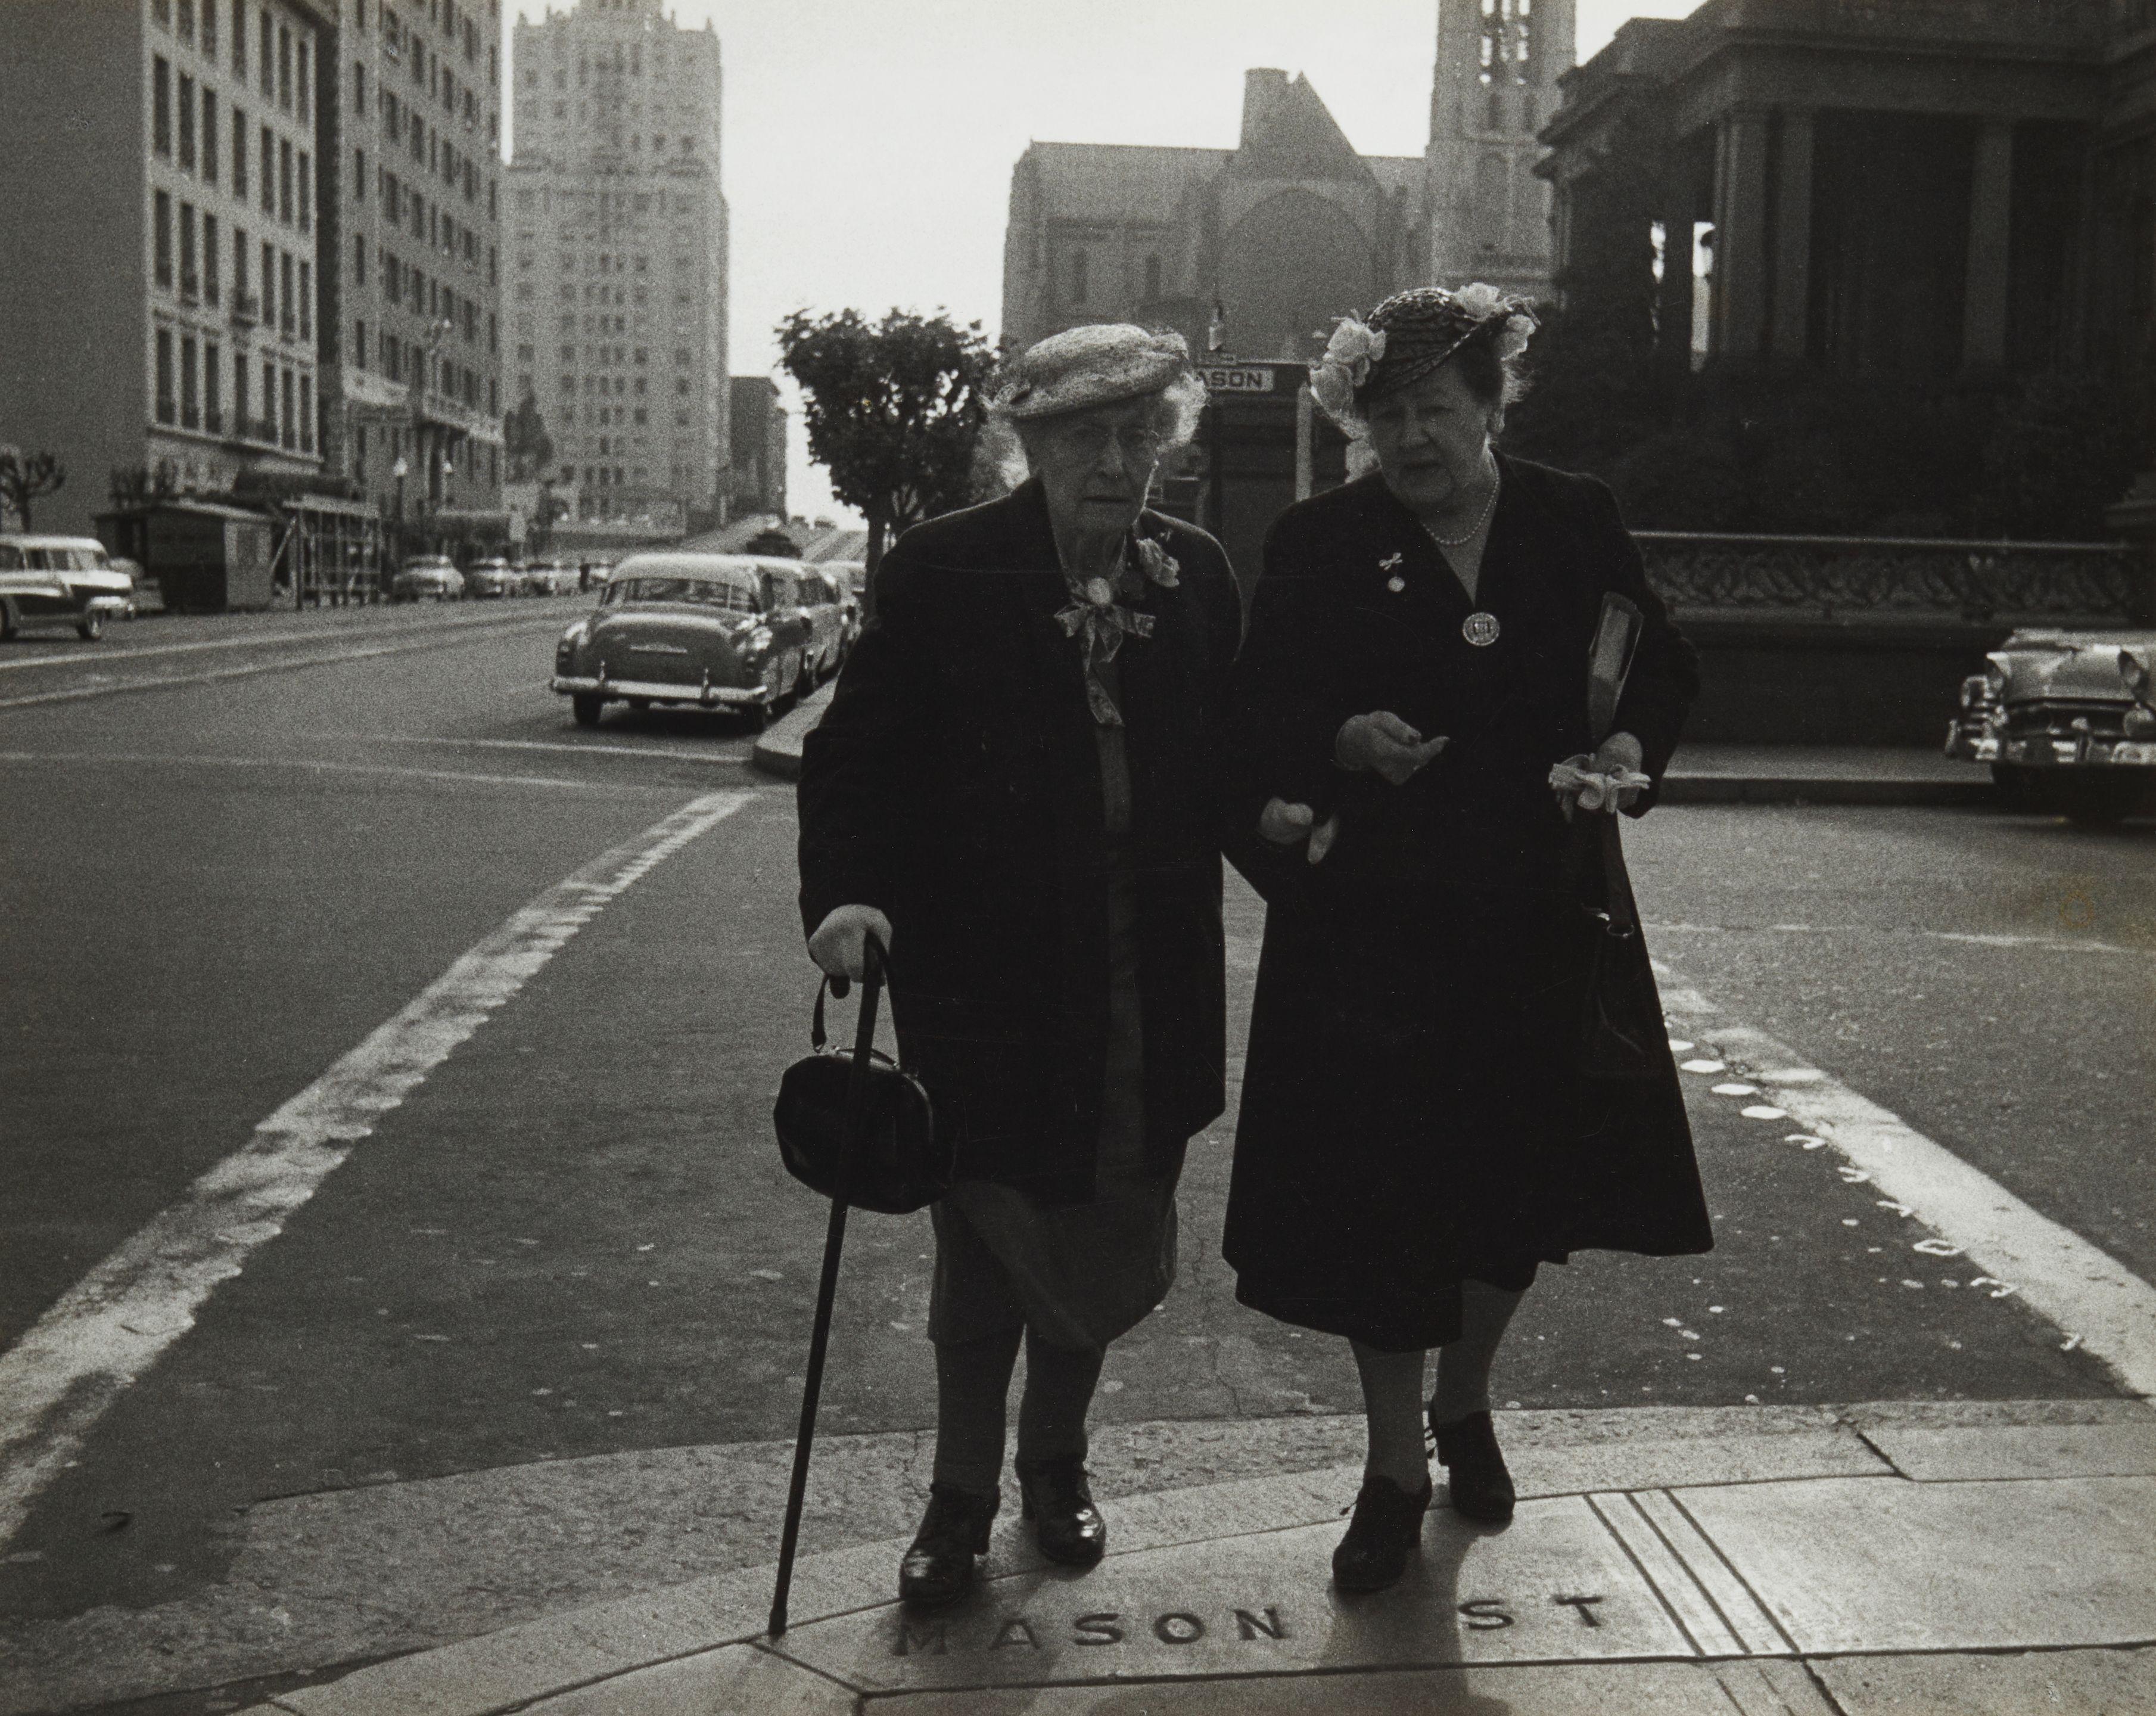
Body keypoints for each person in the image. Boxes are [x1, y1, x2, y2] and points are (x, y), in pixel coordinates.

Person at [1219, 284, 1713, 1594]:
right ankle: (1389, 1469)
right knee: (1383, 1204)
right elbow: (1259, 698)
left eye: (1434, 410)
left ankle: (1466, 1401)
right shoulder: (1322, 538)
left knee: (1512, 1192)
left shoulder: (1572, 517)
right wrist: (1337, 739)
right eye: (1385, 417)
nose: (1410, 440)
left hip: (1539, 908)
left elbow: (1655, 662)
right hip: (1372, 929)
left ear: (1492, 406)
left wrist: (1621, 745)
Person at [795, 324, 1242, 1610]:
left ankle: (1056, 1469)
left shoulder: (1193, 574)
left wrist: (1312, 827)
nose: (1117, 460)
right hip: (987, 976)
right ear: (1032, 446)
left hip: (1142, 978)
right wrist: (849, 896)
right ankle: (960, 1500)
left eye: (1139, 434)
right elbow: (856, 753)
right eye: (1086, 436)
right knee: (986, 1244)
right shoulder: (946, 568)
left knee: (1099, 1234)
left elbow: (1236, 755)